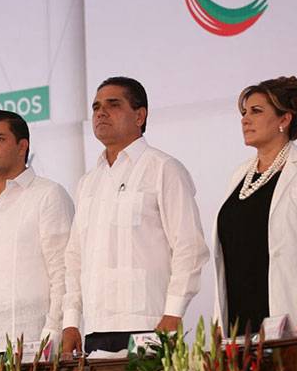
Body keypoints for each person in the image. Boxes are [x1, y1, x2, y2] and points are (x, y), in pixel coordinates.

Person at [62, 76, 209, 355]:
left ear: (140, 116)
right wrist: (70, 322)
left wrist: (173, 313)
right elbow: (74, 257)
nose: (101, 113)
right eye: (96, 107)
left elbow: (189, 247)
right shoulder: (88, 182)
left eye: (113, 104)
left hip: (150, 325)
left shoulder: (164, 168)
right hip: (95, 328)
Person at [212, 77, 297, 336]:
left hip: (292, 315)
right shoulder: (238, 175)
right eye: (244, 112)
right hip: (237, 322)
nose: (245, 119)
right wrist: (218, 319)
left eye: (256, 111)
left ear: (285, 119)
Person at [0, 111, 74, 358]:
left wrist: (51, 337)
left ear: (22, 146)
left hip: (32, 345)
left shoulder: (48, 195)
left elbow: (63, 274)